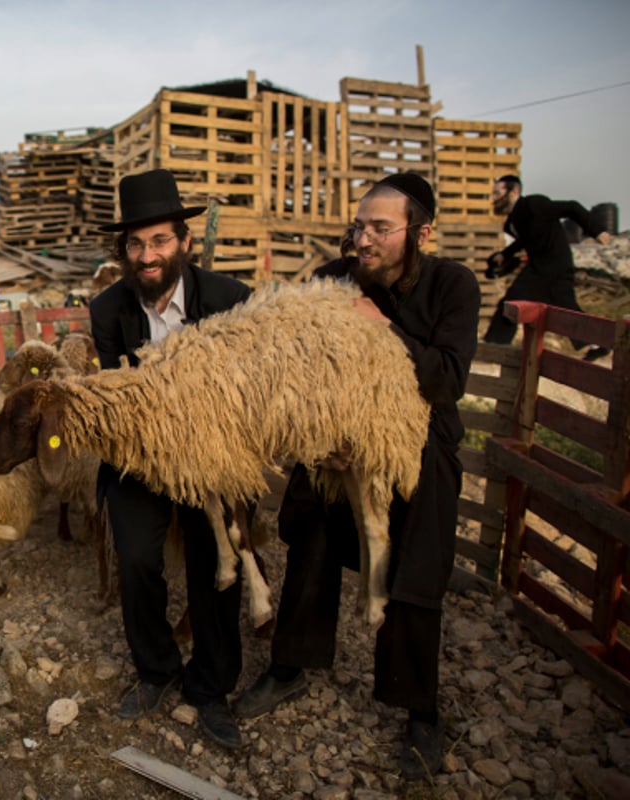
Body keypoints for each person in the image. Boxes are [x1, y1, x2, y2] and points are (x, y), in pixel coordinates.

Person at [232, 173, 481, 780]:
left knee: (417, 564)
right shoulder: (332, 280)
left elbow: (447, 381)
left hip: (416, 447)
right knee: (310, 531)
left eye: (379, 228)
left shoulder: (453, 285)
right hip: (334, 445)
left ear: (420, 233)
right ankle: (290, 667)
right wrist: (322, 440)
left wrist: (382, 325)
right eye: (359, 225)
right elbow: (299, 369)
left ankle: (419, 707)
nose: (363, 238)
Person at [89, 169, 253, 749]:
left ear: (184, 242)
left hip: (215, 457)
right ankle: (157, 668)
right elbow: (117, 397)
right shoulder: (108, 310)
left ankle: (211, 687)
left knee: (219, 563)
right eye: (135, 244)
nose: (147, 254)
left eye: (159, 241)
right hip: (141, 457)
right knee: (136, 558)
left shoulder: (231, 301)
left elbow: (250, 393)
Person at [483, 175, 613, 361]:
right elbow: (526, 240)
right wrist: (505, 255)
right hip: (544, 267)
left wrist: (597, 230)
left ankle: (493, 348)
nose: (493, 198)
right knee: (567, 310)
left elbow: (572, 207)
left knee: (511, 304)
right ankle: (598, 343)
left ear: (514, 192)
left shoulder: (534, 204)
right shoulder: (512, 222)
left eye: (497, 193)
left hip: (553, 266)